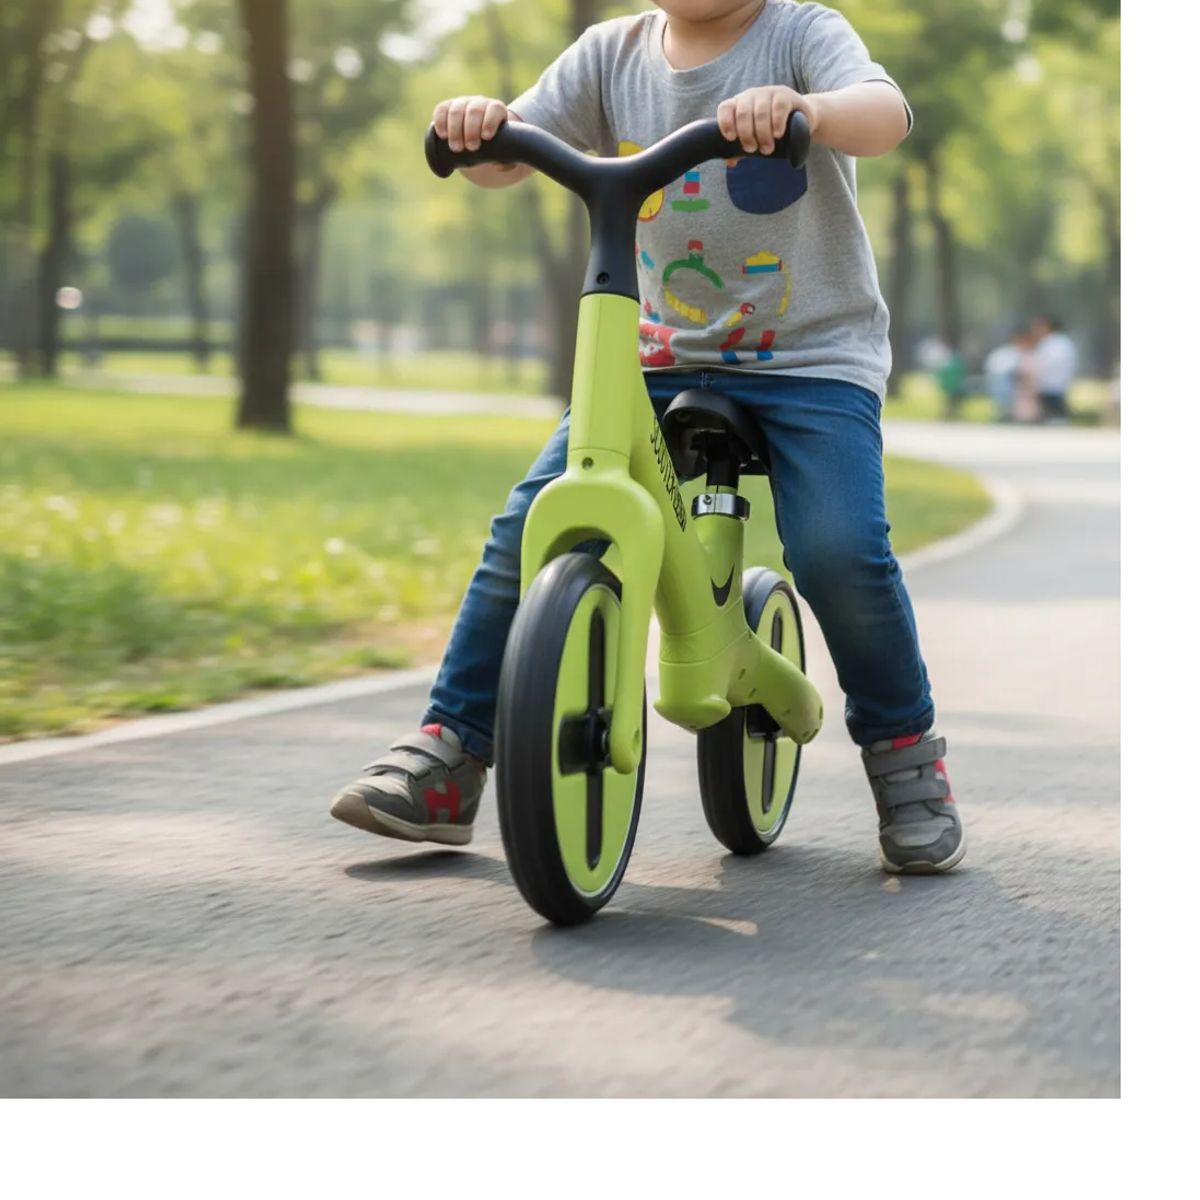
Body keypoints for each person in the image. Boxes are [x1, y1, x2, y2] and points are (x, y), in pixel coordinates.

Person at [329, 0, 965, 875]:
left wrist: (804, 110)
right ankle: (451, 754)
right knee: (530, 526)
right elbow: (509, 158)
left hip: (812, 359)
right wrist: (484, 126)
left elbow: (883, 114)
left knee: (836, 550)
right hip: (659, 354)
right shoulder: (609, 53)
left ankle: (904, 758)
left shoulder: (798, 30)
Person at [1031, 315, 1077, 424]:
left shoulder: (1056, 343)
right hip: (1050, 382)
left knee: (1055, 407)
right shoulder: (1055, 342)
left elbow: (1050, 363)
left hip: (1053, 381)